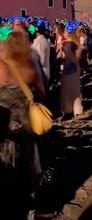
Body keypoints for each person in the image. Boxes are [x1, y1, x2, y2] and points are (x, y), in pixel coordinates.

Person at [0, 32, 45, 218]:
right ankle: (29, 208)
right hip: (26, 130)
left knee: (6, 171)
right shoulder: (31, 66)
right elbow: (42, 93)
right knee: (28, 170)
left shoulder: (1, 67)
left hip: (5, 131)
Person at [60, 40, 83, 120]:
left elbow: (66, 73)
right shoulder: (75, 59)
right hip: (74, 82)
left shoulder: (69, 60)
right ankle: (77, 111)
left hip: (69, 82)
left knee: (68, 97)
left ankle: (68, 113)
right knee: (75, 96)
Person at [31, 23, 50, 88]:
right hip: (44, 72)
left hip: (41, 74)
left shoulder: (39, 41)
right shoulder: (45, 40)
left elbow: (41, 59)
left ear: (37, 33)